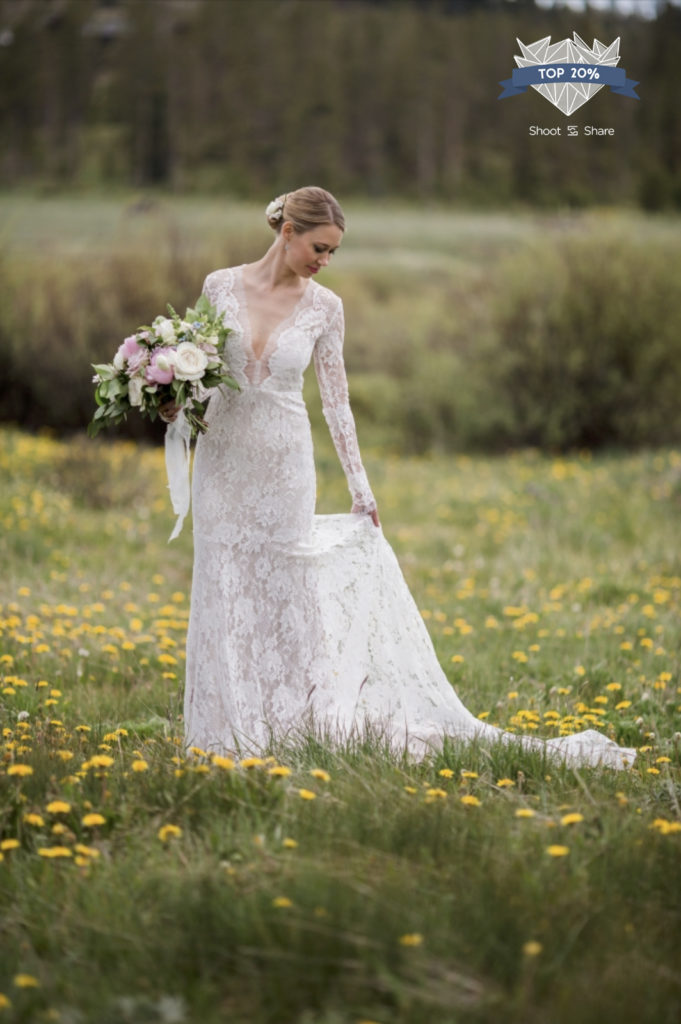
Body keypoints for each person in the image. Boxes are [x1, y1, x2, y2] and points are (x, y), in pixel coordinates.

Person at [167, 186, 635, 769]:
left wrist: (361, 486)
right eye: (320, 246)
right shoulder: (218, 286)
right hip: (223, 463)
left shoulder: (325, 308)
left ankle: (290, 725)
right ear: (286, 231)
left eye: (334, 252)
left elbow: (336, 404)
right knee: (223, 585)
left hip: (284, 465)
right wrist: (173, 403)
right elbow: (203, 374)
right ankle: (223, 730)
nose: (325, 261)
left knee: (286, 596)